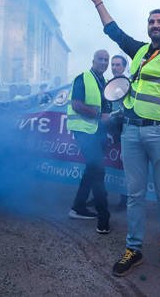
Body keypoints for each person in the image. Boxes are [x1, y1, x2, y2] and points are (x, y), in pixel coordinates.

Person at [88, 0, 160, 285]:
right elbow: (114, 32)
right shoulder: (138, 52)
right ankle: (133, 249)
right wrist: (99, 2)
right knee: (134, 195)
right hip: (131, 132)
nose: (155, 25)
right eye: (151, 21)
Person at [67, 49, 112, 233]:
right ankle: (104, 217)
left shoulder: (106, 82)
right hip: (84, 131)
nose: (103, 62)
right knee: (98, 170)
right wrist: (99, 115)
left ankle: (77, 207)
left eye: (106, 60)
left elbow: (108, 111)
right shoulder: (82, 77)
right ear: (93, 60)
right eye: (100, 59)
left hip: (98, 132)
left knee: (92, 169)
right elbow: (76, 105)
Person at [109, 54, 130, 211]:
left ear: (124, 66)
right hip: (112, 128)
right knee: (113, 164)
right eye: (113, 64)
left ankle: (125, 198)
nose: (114, 67)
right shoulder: (109, 83)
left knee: (126, 165)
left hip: (126, 128)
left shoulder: (129, 83)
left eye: (118, 64)